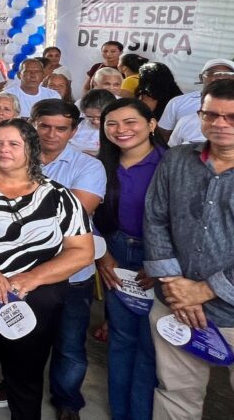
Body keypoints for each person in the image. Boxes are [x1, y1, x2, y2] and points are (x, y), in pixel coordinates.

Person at [0, 119, 93, 420]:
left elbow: (82, 252)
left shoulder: (60, 197)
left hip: (35, 298)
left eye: (13, 144)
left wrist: (30, 278)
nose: (3, 149)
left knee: (27, 370)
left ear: (31, 150)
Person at [0, 100, 106, 418]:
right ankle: (13, 385)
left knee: (69, 341)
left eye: (61, 128)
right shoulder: (10, 157)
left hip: (71, 272)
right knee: (19, 334)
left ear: (73, 131)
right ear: (31, 125)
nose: (51, 134)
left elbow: (72, 215)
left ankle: (67, 399)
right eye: (44, 126)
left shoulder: (89, 167)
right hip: (19, 269)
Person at [142, 77, 234, 419]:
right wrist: (175, 285)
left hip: (229, 310)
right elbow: (155, 217)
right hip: (176, 305)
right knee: (175, 396)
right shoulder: (178, 158)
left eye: (231, 117)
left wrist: (206, 290)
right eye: (211, 115)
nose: (220, 124)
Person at [93, 98, 163, 420]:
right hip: (116, 252)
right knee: (122, 339)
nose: (121, 130)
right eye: (112, 124)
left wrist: (161, 264)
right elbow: (84, 217)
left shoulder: (171, 164)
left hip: (158, 257)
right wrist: (103, 256)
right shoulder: (100, 167)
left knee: (152, 345)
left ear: (151, 124)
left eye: (130, 122)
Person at [70, 89, 115, 155]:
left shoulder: (117, 131)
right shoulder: (77, 124)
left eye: (100, 118)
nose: (95, 121)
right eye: (89, 117)